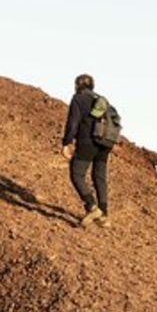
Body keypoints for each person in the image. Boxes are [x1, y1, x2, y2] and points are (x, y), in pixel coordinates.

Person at [62, 73, 112, 228]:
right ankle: (104, 215)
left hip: (87, 142)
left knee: (76, 174)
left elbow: (73, 122)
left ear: (78, 85)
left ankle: (91, 207)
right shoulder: (101, 99)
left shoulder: (78, 98)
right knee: (99, 177)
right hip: (105, 144)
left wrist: (66, 142)